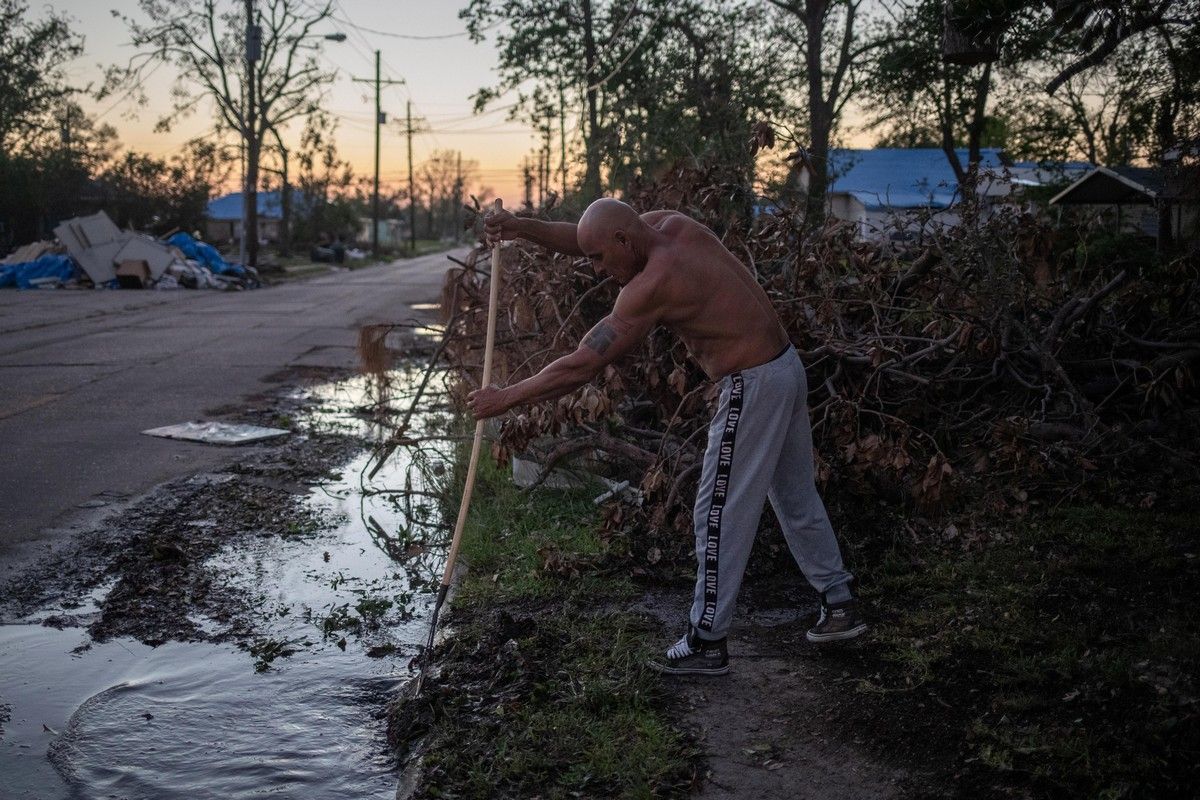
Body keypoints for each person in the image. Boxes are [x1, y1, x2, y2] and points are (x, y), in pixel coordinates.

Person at [468, 198, 865, 677]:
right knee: (796, 496)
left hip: (753, 383)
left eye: (599, 259)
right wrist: (519, 228)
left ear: (623, 241)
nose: (594, 269)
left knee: (716, 513)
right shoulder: (664, 226)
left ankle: (707, 641)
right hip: (785, 367)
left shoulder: (653, 285)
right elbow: (581, 237)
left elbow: (583, 364)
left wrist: (504, 399)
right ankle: (838, 603)